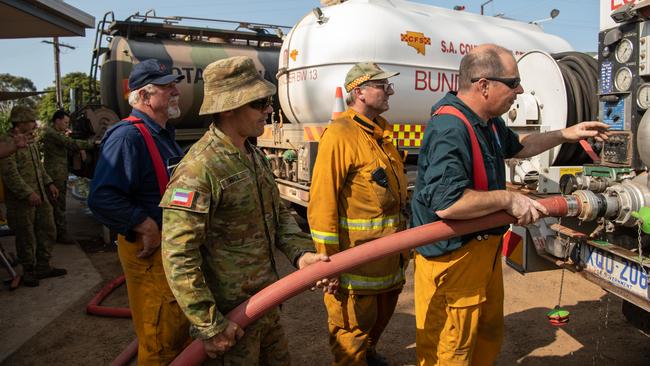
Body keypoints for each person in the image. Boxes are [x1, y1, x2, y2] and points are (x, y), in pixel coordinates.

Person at [411, 44, 610, 365]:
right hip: (454, 262)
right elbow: (447, 204)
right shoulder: (450, 128)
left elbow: (519, 146)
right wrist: (508, 198)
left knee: (486, 335)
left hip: (482, 253)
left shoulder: (486, 120)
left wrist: (565, 134)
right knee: (452, 350)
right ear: (483, 85)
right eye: (513, 82)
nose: (519, 90)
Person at [160, 56, 332, 365]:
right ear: (229, 107)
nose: (269, 109)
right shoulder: (199, 168)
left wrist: (301, 255)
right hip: (232, 320)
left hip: (266, 305)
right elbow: (178, 256)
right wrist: (210, 325)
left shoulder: (254, 155)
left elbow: (278, 215)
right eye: (260, 102)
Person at [87, 59, 190, 364]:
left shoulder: (162, 135)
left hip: (169, 255)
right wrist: (145, 226)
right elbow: (102, 197)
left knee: (177, 334)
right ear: (145, 97)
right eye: (167, 86)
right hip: (150, 259)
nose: (176, 91)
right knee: (160, 343)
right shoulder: (127, 137)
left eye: (174, 84)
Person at [307, 62, 409, 366]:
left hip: (389, 263)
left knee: (375, 326)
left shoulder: (381, 133)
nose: (389, 90)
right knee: (350, 335)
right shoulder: (340, 134)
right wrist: (329, 263)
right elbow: (322, 201)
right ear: (359, 91)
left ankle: (369, 354)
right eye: (382, 85)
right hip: (356, 268)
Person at [0, 105, 63, 287]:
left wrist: (49, 183)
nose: (35, 124)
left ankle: (44, 266)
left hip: (40, 195)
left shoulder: (29, 140)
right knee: (25, 236)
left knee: (48, 228)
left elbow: (38, 167)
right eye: (31, 121)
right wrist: (28, 193)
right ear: (19, 123)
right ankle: (28, 271)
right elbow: (10, 174)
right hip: (21, 201)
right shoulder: (7, 142)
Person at [37, 109, 94, 245]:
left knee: (57, 205)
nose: (67, 125)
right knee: (58, 206)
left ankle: (55, 233)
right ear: (57, 121)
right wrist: (93, 144)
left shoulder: (56, 133)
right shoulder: (52, 133)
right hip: (55, 175)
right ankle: (61, 235)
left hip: (59, 173)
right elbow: (71, 144)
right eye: (66, 122)